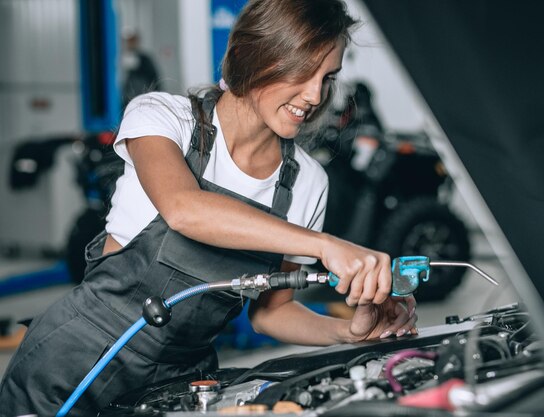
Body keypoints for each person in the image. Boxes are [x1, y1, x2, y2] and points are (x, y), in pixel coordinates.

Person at [0, 0, 417, 415]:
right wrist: (324, 245)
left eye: (327, 77)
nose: (314, 95)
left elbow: (272, 314)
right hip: (74, 363)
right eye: (301, 71)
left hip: (182, 381)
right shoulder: (164, 117)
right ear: (253, 55)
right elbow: (185, 210)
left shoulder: (307, 182)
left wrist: (350, 331)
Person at [121, 30, 161, 108]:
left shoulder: (144, 59)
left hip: (141, 101)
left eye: (132, 40)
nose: (130, 43)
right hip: (124, 102)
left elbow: (155, 79)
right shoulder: (117, 59)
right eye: (128, 41)